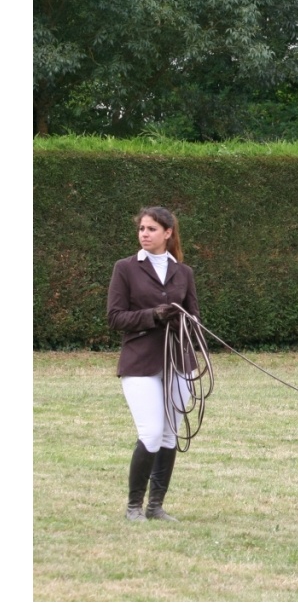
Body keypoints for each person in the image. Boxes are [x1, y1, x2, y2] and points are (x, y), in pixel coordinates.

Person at [107, 206, 200, 522]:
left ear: (168, 233)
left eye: (151, 229)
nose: (144, 234)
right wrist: (153, 316)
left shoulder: (183, 273)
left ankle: (155, 505)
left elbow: (195, 318)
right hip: (140, 363)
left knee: (169, 434)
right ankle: (134, 506)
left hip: (178, 362)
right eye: (142, 229)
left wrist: (183, 322)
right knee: (150, 432)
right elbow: (115, 317)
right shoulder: (125, 268)